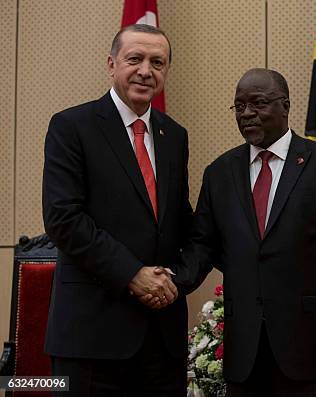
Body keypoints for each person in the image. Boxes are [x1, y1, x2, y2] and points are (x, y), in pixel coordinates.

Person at [177, 68, 316, 396]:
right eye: (239, 106)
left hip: (311, 344)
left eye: (259, 103)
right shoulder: (219, 173)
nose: (247, 114)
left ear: (285, 106)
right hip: (244, 351)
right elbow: (202, 245)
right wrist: (169, 283)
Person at [42, 24, 193, 396]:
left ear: (166, 72)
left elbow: (178, 221)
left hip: (162, 340)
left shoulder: (174, 136)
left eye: (157, 62)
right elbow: (64, 218)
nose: (146, 70)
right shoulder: (71, 126)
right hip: (92, 338)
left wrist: (177, 278)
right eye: (135, 59)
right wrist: (132, 274)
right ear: (111, 64)